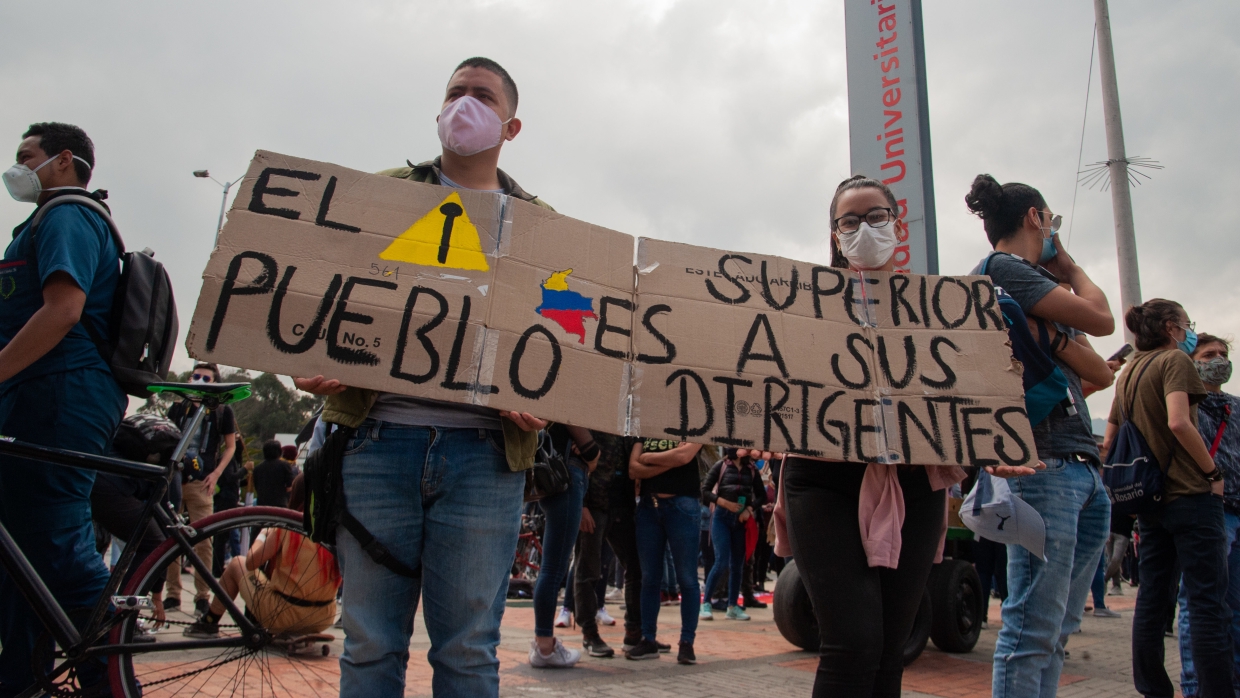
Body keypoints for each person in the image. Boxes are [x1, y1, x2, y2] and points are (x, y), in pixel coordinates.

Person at [292, 57, 552, 698]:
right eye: (455, 93)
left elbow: (568, 325)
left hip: (486, 457)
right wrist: (306, 354)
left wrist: (550, 398)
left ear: (510, 126)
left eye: (482, 96)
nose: (465, 104)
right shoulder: (377, 196)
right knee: (371, 646)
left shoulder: (545, 226)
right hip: (376, 443)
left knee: (467, 651)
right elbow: (314, 283)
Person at [775, 175, 988, 698]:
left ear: (897, 226)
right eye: (850, 221)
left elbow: (965, 399)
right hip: (823, 481)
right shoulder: (802, 308)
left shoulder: (939, 311)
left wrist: (997, 449)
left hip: (914, 485)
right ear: (834, 236)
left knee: (892, 647)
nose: (864, 229)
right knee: (852, 641)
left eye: (876, 217)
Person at [965, 174, 1115, 698]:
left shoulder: (1026, 285)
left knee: (1053, 633)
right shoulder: (1007, 271)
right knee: (1033, 631)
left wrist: (1050, 337)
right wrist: (1070, 268)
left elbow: (1103, 372)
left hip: (1077, 465)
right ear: (1036, 217)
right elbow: (1101, 319)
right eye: (1051, 220)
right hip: (1045, 466)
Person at [0, 122, 125, 697]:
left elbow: (63, 309)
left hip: (64, 394)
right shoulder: (42, 221)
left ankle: (113, 684)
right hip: (38, 394)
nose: (18, 166)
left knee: (57, 549)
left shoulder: (68, 215)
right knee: (22, 561)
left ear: (63, 160)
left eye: (27, 155)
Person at [1102, 318, 1233, 698]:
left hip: (1150, 499)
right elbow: (1179, 421)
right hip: (1190, 494)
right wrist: (1213, 472)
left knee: (1152, 600)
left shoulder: (1129, 374)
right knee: (1208, 603)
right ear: (1172, 327)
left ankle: (1153, 689)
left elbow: (1110, 440)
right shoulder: (1173, 362)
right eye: (1187, 324)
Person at [185, 475, 341, 638]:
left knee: (237, 563)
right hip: (324, 616)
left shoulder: (287, 527)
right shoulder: (334, 529)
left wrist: (263, 535)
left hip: (284, 613)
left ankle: (209, 623)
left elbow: (252, 562)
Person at [1176, 333, 1240, 697]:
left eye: (1223, 354)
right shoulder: (1185, 404)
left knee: (1235, 607)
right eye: (1209, 354)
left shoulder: (1236, 405)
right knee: (1202, 604)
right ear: (1193, 361)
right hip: (1209, 512)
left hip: (1237, 510)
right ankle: (1195, 684)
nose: (1218, 359)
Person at [165, 362, 238, 619]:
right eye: (196, 377)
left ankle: (202, 596)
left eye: (206, 378)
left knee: (203, 541)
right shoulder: (177, 408)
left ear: (214, 383)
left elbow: (230, 446)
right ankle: (172, 593)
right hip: (174, 477)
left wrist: (216, 472)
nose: (199, 381)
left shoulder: (221, 411)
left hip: (202, 480)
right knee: (171, 537)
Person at [626, 438, 704, 665]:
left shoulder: (694, 424)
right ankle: (648, 638)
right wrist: (672, 460)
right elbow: (633, 470)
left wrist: (648, 459)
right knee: (649, 578)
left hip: (683, 506)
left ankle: (687, 642)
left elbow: (684, 457)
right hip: (649, 509)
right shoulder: (648, 426)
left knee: (687, 579)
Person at [529, 424, 596, 668]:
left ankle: (543, 642)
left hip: (558, 473)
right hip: (567, 474)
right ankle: (545, 646)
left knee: (552, 567)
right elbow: (574, 423)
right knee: (553, 569)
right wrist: (593, 451)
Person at [572, 431, 628, 658]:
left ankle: (637, 632)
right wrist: (582, 505)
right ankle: (589, 633)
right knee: (588, 569)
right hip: (594, 502)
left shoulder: (627, 419)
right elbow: (579, 456)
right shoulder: (593, 415)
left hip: (621, 504)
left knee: (635, 566)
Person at [700, 449, 767, 621]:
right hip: (722, 517)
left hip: (741, 520)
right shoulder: (721, 466)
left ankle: (733, 606)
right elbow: (705, 491)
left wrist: (750, 510)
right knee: (721, 561)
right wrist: (723, 502)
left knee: (738, 564)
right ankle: (706, 603)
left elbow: (762, 496)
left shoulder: (751, 469)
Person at [253, 439, 295, 508]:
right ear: (280, 452)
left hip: (261, 505)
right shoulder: (285, 465)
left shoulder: (257, 468)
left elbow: (257, 487)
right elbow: (289, 487)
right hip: (280, 504)